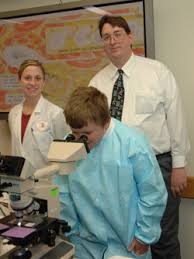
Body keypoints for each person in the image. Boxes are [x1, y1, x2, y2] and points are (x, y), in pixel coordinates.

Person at [89, 15, 190, 259]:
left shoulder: (157, 72)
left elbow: (176, 119)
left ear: (130, 37)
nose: (112, 41)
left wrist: (179, 165)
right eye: (106, 37)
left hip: (159, 166)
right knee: (127, 238)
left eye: (117, 34)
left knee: (163, 238)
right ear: (102, 43)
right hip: (115, 170)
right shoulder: (97, 83)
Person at [54, 86, 167, 259]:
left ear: (106, 122)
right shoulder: (68, 145)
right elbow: (63, 191)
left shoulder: (133, 144)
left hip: (128, 244)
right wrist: (70, 229)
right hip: (85, 243)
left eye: (86, 134)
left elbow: (153, 194)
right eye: (75, 133)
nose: (79, 140)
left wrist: (144, 236)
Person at [8, 59, 68, 173]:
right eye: (27, 78)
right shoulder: (13, 113)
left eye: (38, 78)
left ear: (44, 82)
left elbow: (64, 155)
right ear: (20, 81)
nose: (33, 83)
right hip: (19, 182)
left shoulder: (56, 113)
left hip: (47, 182)